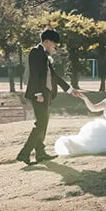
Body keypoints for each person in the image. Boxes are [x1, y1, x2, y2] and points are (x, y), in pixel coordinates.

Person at [16, 28, 79, 164]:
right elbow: (35, 74)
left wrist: (69, 90)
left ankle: (40, 153)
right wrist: (38, 94)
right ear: (47, 41)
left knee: (43, 125)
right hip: (39, 95)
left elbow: (54, 76)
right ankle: (24, 153)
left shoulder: (45, 55)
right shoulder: (35, 52)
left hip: (47, 94)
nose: (54, 46)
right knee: (40, 125)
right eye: (53, 43)